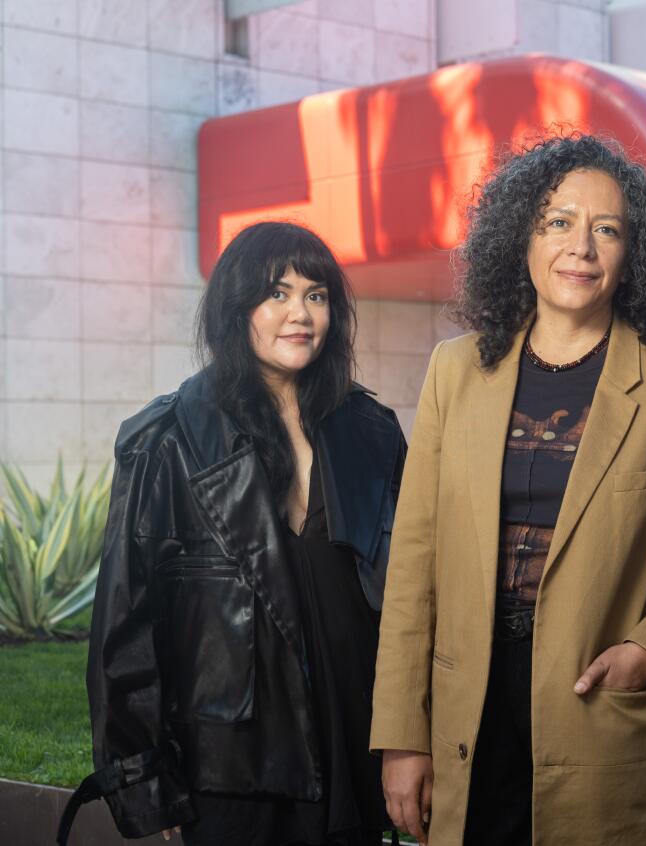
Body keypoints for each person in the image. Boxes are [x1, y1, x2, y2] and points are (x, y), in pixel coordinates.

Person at [369, 134, 646, 845]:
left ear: (635, 255)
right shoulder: (455, 371)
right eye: (558, 221)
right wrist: (403, 736)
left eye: (608, 229)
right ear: (521, 238)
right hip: (468, 709)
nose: (582, 247)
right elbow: (413, 561)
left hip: (604, 710)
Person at [63, 222, 407, 846]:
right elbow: (125, 623)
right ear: (235, 307)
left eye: (317, 294)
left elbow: (409, 597)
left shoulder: (373, 431)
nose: (300, 313)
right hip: (232, 768)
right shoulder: (168, 441)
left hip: (354, 746)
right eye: (276, 293)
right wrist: (144, 780)